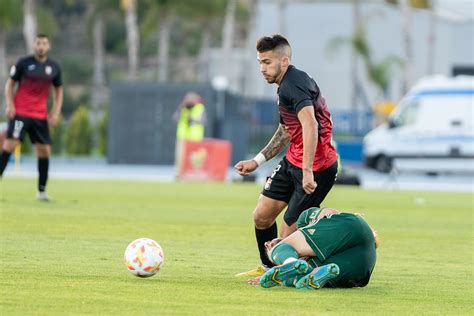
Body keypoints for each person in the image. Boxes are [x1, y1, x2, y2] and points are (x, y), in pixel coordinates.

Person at [235, 34, 338, 276]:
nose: (262, 68)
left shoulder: (294, 84)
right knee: (262, 215)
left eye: (267, 62)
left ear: (284, 61)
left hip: (318, 167)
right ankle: (268, 267)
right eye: (260, 62)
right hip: (294, 160)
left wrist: (307, 171)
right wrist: (257, 161)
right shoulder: (285, 85)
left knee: (288, 235)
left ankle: (285, 273)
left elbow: (310, 125)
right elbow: (286, 131)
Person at [0, 34, 63, 201]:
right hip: (21, 113)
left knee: (44, 151)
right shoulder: (23, 63)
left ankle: (41, 192)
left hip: (40, 116)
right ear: (34, 45)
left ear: (48, 46)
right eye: (38, 43)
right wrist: (10, 105)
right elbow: (10, 84)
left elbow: (59, 91)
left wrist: (55, 112)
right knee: (9, 145)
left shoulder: (54, 67)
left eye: (44, 43)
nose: (41, 46)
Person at [257, 207, 378, 289]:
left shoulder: (303, 221)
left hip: (353, 226)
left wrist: (277, 248)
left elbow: (330, 212)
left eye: (270, 242)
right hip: (357, 273)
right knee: (299, 278)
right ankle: (301, 270)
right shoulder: (316, 263)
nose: (267, 244)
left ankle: (291, 262)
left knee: (279, 249)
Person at [173, 92, 206, 176]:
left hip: (195, 139)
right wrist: (181, 108)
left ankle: (194, 174)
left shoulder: (200, 108)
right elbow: (175, 118)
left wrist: (193, 119)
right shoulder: (182, 108)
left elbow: (204, 121)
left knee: (195, 159)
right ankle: (179, 175)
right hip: (183, 137)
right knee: (180, 158)